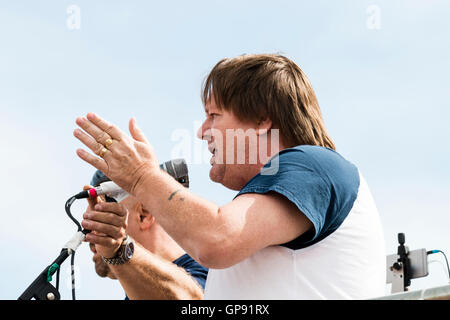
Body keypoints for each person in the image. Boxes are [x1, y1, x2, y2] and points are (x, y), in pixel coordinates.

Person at [74, 53, 386, 299]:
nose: (201, 131)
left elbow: (217, 240)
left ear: (263, 119)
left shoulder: (315, 165)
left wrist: (141, 176)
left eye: (213, 116)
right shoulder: (269, 212)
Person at [82, 170, 208, 300]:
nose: (86, 236)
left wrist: (120, 250)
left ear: (143, 215)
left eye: (99, 220)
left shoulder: (216, 273)